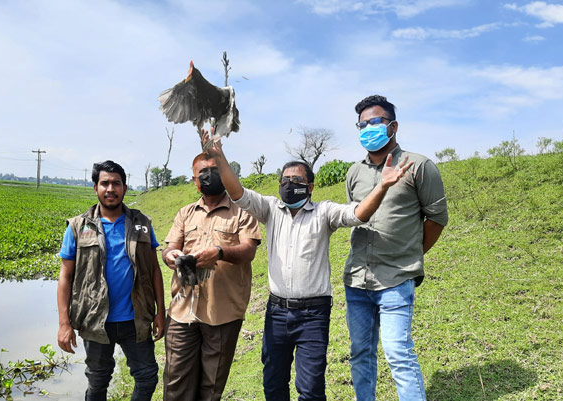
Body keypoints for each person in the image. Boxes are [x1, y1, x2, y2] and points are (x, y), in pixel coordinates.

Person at [202, 129, 413, 401]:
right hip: (277, 311)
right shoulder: (270, 209)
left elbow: (358, 214)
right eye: (285, 180)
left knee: (311, 387)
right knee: (273, 382)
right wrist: (219, 157)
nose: (289, 184)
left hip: (314, 313)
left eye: (297, 180)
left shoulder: (324, 212)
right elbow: (238, 192)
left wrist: (382, 186)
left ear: (310, 187)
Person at [345, 95, 449, 401]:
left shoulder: (419, 166)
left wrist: (411, 253)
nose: (367, 129)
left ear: (393, 126)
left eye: (374, 122)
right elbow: (354, 215)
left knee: (398, 353)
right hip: (357, 279)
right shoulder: (354, 173)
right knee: (360, 353)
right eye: (362, 124)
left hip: (397, 278)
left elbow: (437, 219)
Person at [56, 160, 166, 401]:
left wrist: (161, 312)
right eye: (104, 183)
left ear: (125, 188)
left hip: (135, 319)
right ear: (95, 187)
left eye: (116, 183)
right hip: (95, 320)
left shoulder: (142, 224)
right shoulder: (78, 226)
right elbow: (65, 276)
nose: (110, 189)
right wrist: (64, 323)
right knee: (98, 382)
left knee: (147, 377)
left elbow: (155, 269)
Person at [161, 152, 262, 401]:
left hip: (223, 312)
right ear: (194, 180)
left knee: (211, 385)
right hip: (182, 310)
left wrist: (219, 252)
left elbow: (248, 250)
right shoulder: (185, 213)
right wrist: (172, 256)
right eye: (202, 173)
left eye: (214, 171)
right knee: (175, 382)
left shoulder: (242, 211)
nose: (208, 177)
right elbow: (168, 249)